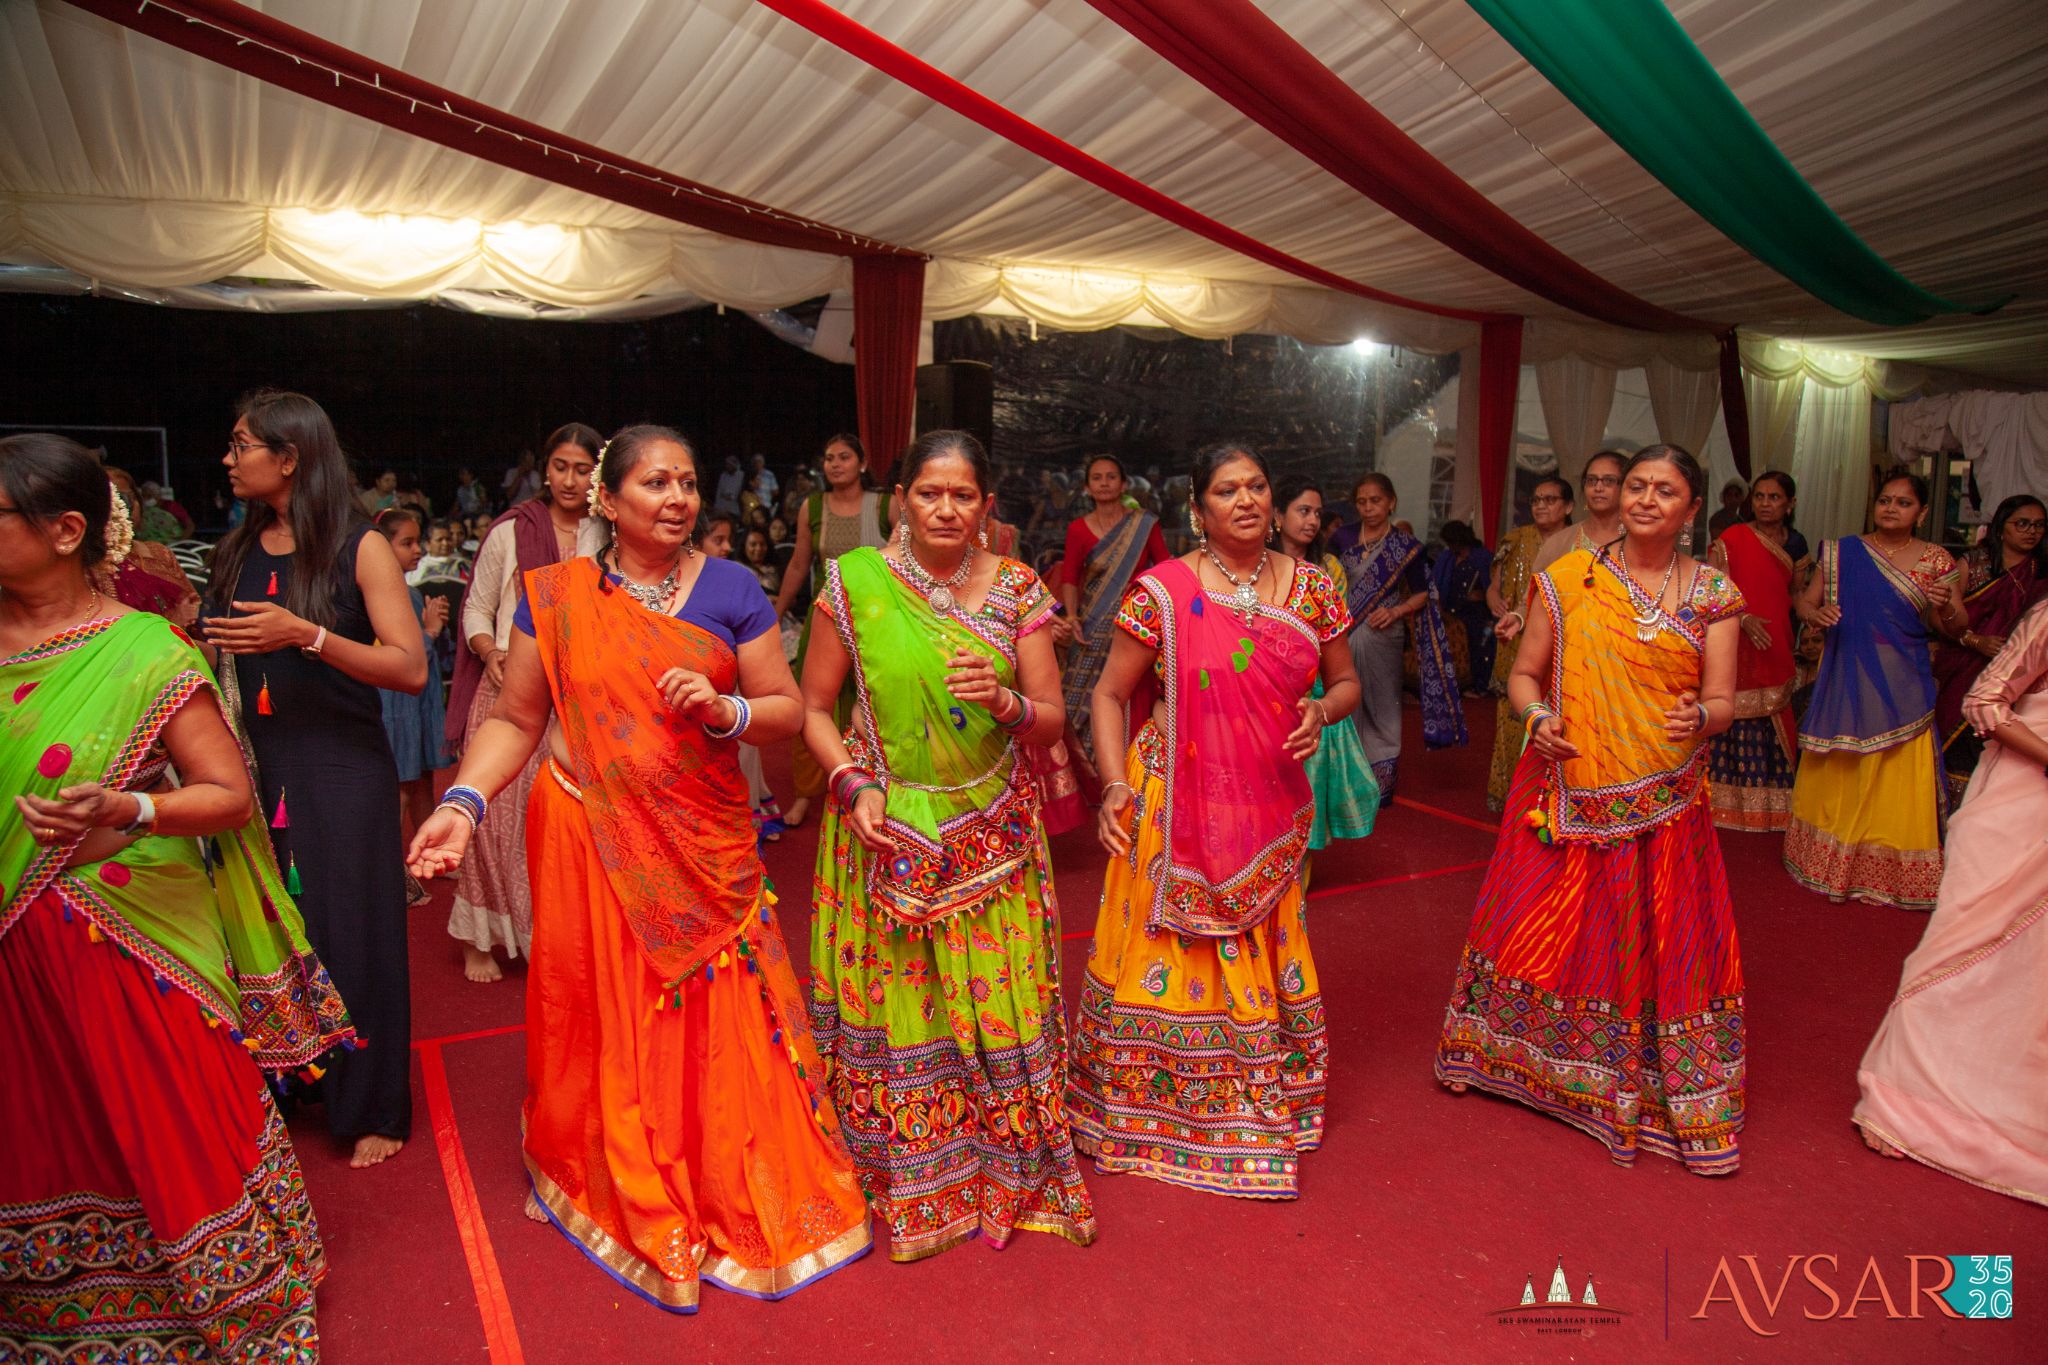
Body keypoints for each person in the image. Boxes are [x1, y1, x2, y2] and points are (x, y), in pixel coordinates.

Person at [408, 423, 872, 1308]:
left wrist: (728, 707)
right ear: (607, 501)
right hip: (585, 831)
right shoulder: (554, 596)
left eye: (690, 483)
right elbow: (513, 717)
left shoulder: (732, 586)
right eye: (656, 483)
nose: (678, 499)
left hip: (704, 847)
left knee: (719, 1012)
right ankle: (604, 1159)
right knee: (599, 1009)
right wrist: (462, 804)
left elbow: (782, 707)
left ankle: (722, 1171)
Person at [0, 433, 356, 1362]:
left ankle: (230, 1289)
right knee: (40, 1119)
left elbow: (227, 793)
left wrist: (132, 805)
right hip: (16, 946)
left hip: (124, 931)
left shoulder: (140, 652)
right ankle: (58, 1308)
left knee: (164, 1111)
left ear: (65, 530)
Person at [802, 428, 1097, 1258]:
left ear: (986, 508)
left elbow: (1051, 720)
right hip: (882, 825)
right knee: (898, 1000)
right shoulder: (852, 585)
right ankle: (904, 1161)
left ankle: (999, 1156)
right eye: (929, 492)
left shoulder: (1015, 587)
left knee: (995, 1004)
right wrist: (851, 783)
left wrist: (1005, 702)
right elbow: (815, 706)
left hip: (992, 830)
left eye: (963, 495)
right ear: (900, 501)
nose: (945, 508)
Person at [1436, 444, 1747, 1175]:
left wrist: (1701, 714)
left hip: (1666, 800)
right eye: (1636, 485)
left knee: (1652, 934)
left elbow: (1727, 703)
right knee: (1545, 927)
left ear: (1691, 509)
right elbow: (1521, 674)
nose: (1644, 499)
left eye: (1664, 490)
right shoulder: (1569, 580)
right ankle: (1524, 1059)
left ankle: (1642, 1081)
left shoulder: (1713, 596)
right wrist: (1537, 716)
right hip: (1567, 784)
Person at [1067, 441, 1360, 1197]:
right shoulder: (1162, 590)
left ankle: (1257, 1096)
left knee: (1262, 936)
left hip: (1268, 791)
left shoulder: (1314, 590)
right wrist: (1111, 787)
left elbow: (1348, 681)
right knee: (1173, 943)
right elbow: (1107, 694)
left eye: (1257, 485)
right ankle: (1148, 1106)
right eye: (1227, 489)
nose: (1247, 499)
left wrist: (1321, 709)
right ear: (1198, 510)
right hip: (1171, 795)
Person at [202, 388, 427, 1168]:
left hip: (343, 767)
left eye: (242, 445)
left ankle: (374, 1103)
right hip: (258, 770)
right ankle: (300, 1076)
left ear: (290, 456)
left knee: (353, 932)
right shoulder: (234, 550)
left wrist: (308, 634)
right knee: (274, 926)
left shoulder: (356, 546)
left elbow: (408, 667)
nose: (230, 460)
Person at [1853, 595, 2048, 1206]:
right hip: (2022, 807)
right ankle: (1909, 1099)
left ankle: (2013, 1107)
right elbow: (1985, 701)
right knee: (1964, 948)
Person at [443, 423, 599, 983]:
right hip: (510, 686)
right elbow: (477, 610)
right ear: (544, 469)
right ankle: (477, 937)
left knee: (557, 822)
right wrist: (489, 653)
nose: (570, 480)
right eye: (560, 467)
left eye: (582, 469)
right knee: (491, 820)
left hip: (575, 697)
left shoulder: (607, 533)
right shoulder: (513, 530)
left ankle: (548, 935)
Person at [1784, 470, 1965, 910]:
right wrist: (1815, 614)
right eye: (1885, 500)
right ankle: (1832, 858)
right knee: (1846, 764)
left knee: (1895, 772)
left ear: (1920, 513)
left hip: (1905, 682)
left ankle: (1893, 866)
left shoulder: (1938, 561)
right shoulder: (1843, 551)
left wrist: (1947, 607)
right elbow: (1805, 600)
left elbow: (1953, 627)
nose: (1890, 508)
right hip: (1848, 675)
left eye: (1903, 503)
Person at [774, 433, 893, 828]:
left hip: (879, 619)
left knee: (876, 701)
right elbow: (798, 563)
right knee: (810, 705)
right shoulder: (814, 507)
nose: (835, 464)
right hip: (826, 616)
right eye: (828, 458)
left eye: (844, 457)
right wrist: (775, 613)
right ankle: (808, 793)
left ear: (861, 463)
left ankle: (877, 784)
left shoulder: (884, 505)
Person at [1329, 472, 1466, 798]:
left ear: (1391, 502)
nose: (1368, 508)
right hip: (1343, 630)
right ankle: (1345, 778)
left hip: (1384, 632)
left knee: (1384, 704)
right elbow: (1326, 577)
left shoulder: (1407, 547)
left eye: (1375, 500)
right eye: (1361, 502)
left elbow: (1422, 593)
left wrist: (1395, 611)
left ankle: (1381, 778)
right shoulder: (1342, 538)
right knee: (1343, 699)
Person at [1702, 471, 1811, 833]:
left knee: (1773, 713)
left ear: (1790, 503)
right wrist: (1743, 618)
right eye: (1760, 496)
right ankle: (1721, 803)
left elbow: (1796, 596)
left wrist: (1816, 617)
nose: (1765, 503)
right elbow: (1710, 594)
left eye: (1774, 497)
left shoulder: (1795, 544)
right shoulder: (1733, 538)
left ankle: (1772, 807)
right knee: (1732, 710)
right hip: (1735, 637)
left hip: (1776, 637)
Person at [1273, 476, 1378, 850]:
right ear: (1278, 516)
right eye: (1303, 511)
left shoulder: (1327, 568)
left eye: (1317, 513)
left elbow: (1330, 634)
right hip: (1263, 688)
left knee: (1309, 784)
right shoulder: (1255, 566)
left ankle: (1298, 874)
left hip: (1313, 690)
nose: (1313, 521)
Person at [1058, 454, 1168, 780]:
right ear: (1088, 487)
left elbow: (1165, 567)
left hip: (1134, 624)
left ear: (1123, 484)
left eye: (1110, 477)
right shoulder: (1078, 529)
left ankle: (1128, 770)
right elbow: (1068, 576)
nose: (1104, 483)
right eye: (1097, 478)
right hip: (1091, 626)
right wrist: (1074, 616)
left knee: (1130, 696)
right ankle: (1085, 777)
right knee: (1080, 700)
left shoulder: (1144, 524)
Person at [1933, 494, 2046, 801]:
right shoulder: (1974, 563)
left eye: (2038, 525)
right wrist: (1976, 641)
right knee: (1956, 747)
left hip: (2020, 682)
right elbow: (1938, 617)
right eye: (2021, 523)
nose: (2031, 531)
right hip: (1966, 669)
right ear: (2000, 527)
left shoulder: (2042, 572)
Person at [1483, 475, 1573, 811]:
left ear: (1568, 507)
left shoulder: (1577, 543)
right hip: (1513, 635)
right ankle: (1508, 792)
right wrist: (1494, 602)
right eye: (1536, 500)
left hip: (1560, 642)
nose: (1541, 506)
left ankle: (1550, 796)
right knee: (1511, 714)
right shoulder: (1514, 539)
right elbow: (1493, 586)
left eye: (1550, 500)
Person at [700, 511, 785, 843]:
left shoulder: (735, 580)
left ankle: (748, 820)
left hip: (735, 688)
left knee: (746, 750)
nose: (725, 547)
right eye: (717, 540)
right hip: (706, 691)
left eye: (727, 541)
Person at [375, 508, 453, 841]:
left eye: (417, 541)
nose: (418, 550)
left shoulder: (408, 592)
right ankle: (390, 873)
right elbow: (397, 651)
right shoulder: (386, 592)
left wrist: (433, 625)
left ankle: (432, 851)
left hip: (414, 701)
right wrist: (431, 632)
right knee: (404, 783)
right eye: (407, 543)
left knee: (421, 779)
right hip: (398, 702)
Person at [101, 465, 203, 629]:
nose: (123, 506)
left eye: (129, 498)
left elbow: (191, 605)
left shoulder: (158, 553)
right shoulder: (81, 568)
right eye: (110, 499)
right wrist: (172, 626)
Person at [1532, 450, 1630, 573]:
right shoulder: (1559, 543)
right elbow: (1536, 589)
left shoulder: (1640, 541)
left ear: (1627, 486)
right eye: (1591, 480)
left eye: (1609, 481)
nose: (1598, 488)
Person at [1431, 520, 1495, 694]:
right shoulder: (1447, 557)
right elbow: (1436, 582)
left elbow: (1494, 585)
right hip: (1450, 610)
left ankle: (1478, 686)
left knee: (1478, 644)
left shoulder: (1482, 557)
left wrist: (1481, 594)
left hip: (1476, 612)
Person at [739, 527, 781, 595]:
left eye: (762, 544)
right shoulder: (738, 570)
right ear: (744, 546)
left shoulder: (775, 569)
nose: (758, 549)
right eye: (753, 544)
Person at [713, 452, 747, 516]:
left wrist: (731, 497)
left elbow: (738, 490)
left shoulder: (741, 475)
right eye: (727, 464)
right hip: (721, 506)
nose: (727, 466)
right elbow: (719, 491)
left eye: (729, 465)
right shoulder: (723, 475)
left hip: (734, 507)